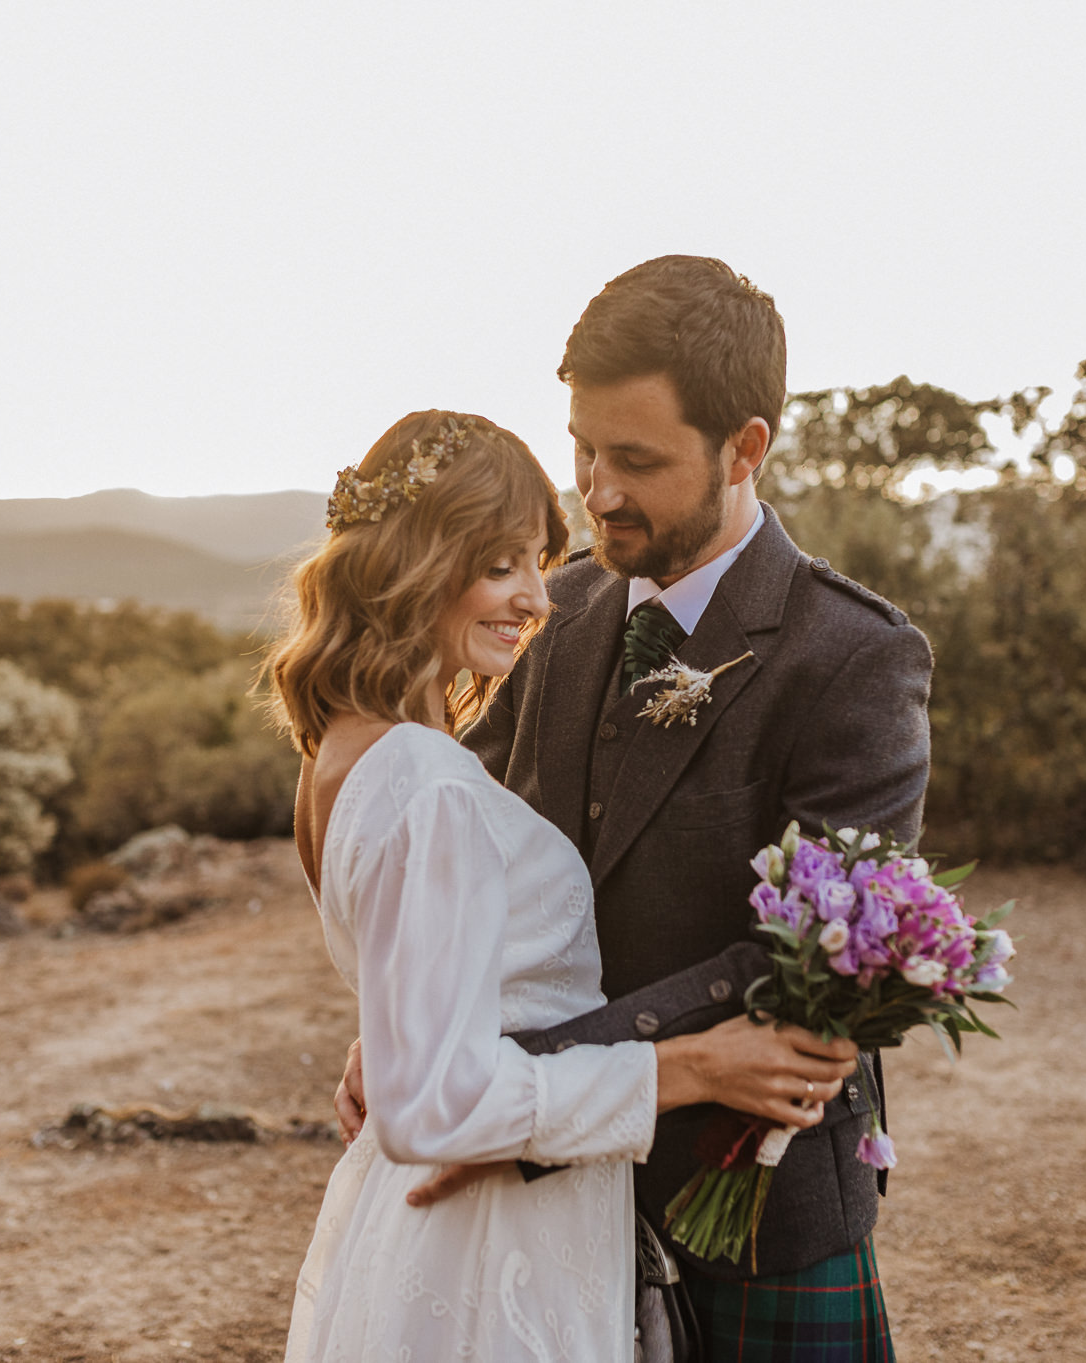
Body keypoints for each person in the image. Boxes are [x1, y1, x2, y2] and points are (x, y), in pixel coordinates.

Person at [339, 258, 934, 1359]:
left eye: (636, 460)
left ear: (742, 450)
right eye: (582, 450)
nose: (595, 491)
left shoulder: (852, 655)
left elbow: (800, 960)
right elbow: (455, 841)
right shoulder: (550, 609)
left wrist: (522, 1084)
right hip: (542, 1205)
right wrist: (413, 1018)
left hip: (749, 1198)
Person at [270, 409, 860, 1362]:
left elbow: (430, 985)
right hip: (488, 1232)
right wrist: (698, 1065)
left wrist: (408, 1022)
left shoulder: (342, 752)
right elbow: (437, 1110)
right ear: (417, 561)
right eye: (500, 565)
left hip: (437, 1221)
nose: (536, 599)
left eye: (536, 563)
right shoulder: (429, 784)